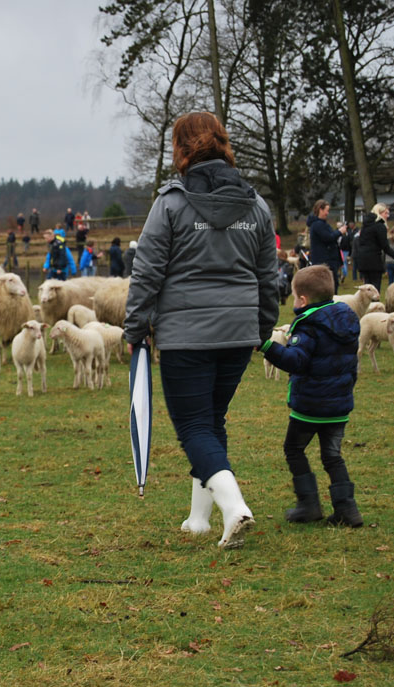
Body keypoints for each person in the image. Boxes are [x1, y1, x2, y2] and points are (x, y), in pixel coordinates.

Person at [123, 111, 278, 549]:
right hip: (238, 332)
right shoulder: (257, 206)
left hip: (186, 334)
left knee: (193, 426)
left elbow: (147, 271)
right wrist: (261, 327)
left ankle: (233, 507)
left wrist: (135, 327)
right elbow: (268, 276)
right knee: (211, 421)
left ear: (182, 148)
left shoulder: (170, 204)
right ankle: (198, 519)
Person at [259, 265, 363, 527]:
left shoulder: (308, 325)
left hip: (310, 405)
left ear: (303, 299)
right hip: (339, 405)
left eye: (294, 297)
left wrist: (267, 346)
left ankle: (308, 504)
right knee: (332, 456)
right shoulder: (347, 319)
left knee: (294, 449)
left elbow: (296, 361)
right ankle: (347, 510)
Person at [355, 203, 394, 292]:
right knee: (375, 289)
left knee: (367, 288)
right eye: (386, 213)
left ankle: (367, 305)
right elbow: (386, 247)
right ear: (380, 213)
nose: (388, 216)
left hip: (363, 260)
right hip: (374, 261)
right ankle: (374, 305)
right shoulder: (379, 226)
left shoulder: (365, 226)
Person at [307, 199, 345, 294]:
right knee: (328, 286)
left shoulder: (322, 224)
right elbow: (328, 237)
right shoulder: (317, 225)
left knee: (332, 284)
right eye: (327, 210)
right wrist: (339, 232)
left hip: (328, 260)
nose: (328, 213)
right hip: (324, 261)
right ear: (320, 209)